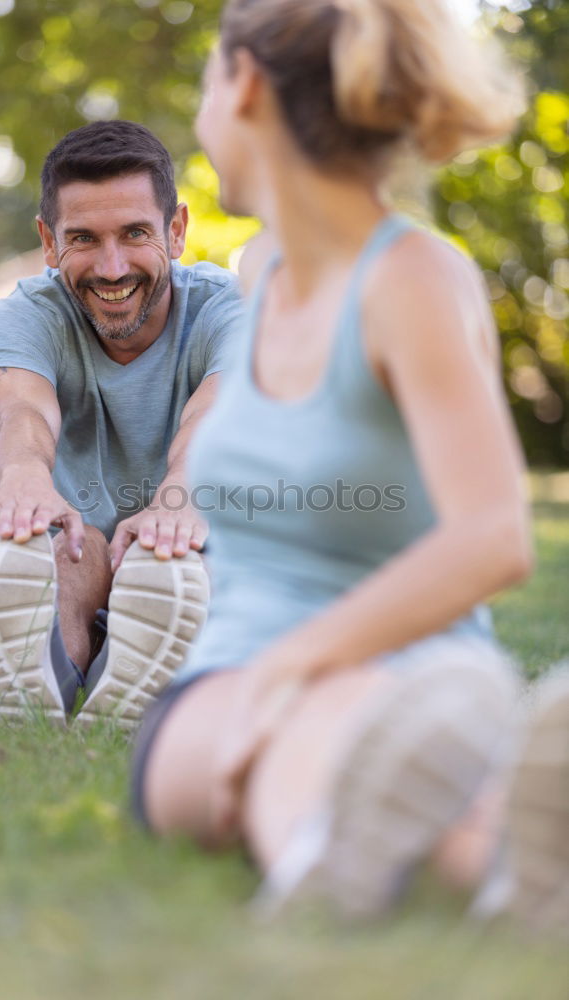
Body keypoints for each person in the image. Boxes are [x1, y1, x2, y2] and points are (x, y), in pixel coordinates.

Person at [129, 0, 569, 931]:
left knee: (354, 710)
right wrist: (281, 675)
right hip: (235, 680)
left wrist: (296, 663)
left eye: (209, 82)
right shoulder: (261, 271)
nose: (205, 117)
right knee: (327, 723)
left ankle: (355, 864)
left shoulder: (412, 280)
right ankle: (483, 867)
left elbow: (493, 539)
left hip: (412, 679)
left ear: (243, 83)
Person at [0, 120, 241, 727]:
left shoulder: (234, 311)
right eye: (84, 238)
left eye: (135, 233)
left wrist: (178, 496)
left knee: (173, 559)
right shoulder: (21, 320)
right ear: (48, 241)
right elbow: (17, 410)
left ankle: (139, 658)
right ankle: (52, 679)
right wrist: (26, 478)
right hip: (86, 543)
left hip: (210, 548)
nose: (112, 268)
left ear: (177, 230)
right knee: (56, 549)